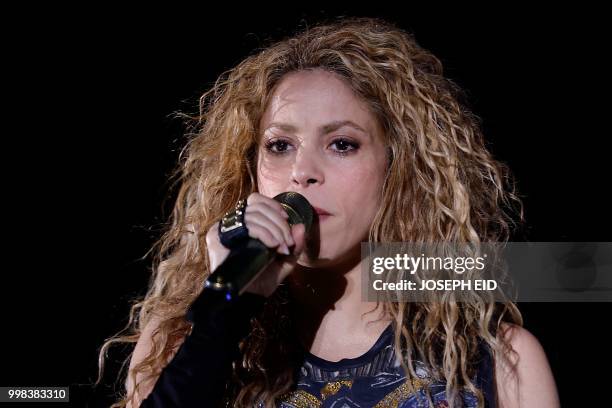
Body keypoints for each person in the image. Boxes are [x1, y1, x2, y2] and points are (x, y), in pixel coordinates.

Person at [97, 17, 559, 407]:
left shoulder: (498, 362)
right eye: (280, 145)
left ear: (398, 169)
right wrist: (226, 307)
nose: (302, 172)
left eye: (342, 144)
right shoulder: (178, 342)